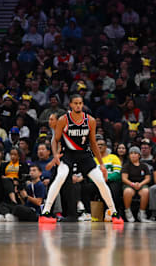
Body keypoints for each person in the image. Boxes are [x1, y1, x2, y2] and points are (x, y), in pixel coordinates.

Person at [39, 94, 124, 224]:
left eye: (80, 103)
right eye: (76, 103)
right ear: (71, 105)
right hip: (68, 154)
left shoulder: (90, 120)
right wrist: (55, 154)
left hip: (84, 155)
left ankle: (114, 213)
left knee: (100, 180)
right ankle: (45, 212)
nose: (78, 105)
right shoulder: (63, 120)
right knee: (61, 177)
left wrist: (101, 164)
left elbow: (93, 143)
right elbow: (55, 140)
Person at [122, 147, 151, 223]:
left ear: (139, 155)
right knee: (127, 191)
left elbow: (147, 178)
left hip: (141, 184)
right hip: (129, 184)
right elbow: (124, 178)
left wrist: (140, 184)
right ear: (129, 156)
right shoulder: (126, 165)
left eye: (135, 153)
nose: (133, 155)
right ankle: (128, 211)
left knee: (146, 191)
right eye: (131, 153)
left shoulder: (144, 166)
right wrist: (132, 184)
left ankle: (141, 213)